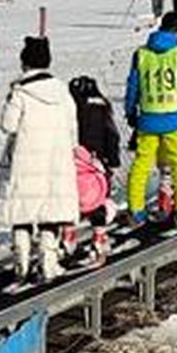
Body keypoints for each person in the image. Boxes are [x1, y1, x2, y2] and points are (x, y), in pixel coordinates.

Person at [0, 36, 79, 281]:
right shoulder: (62, 91)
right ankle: (49, 261)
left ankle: (21, 259)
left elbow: (7, 125)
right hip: (57, 161)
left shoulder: (20, 92)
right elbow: (73, 127)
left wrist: (10, 101)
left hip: (26, 162)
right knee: (51, 213)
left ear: (24, 63)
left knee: (23, 211)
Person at [124, 10, 177, 226]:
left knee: (141, 164)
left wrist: (131, 112)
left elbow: (133, 87)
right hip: (175, 118)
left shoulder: (141, 54)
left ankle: (135, 209)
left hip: (148, 118)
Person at [69, 75, 122, 265]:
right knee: (99, 200)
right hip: (99, 161)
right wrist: (113, 160)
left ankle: (69, 233)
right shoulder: (102, 107)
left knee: (73, 198)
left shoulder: (70, 108)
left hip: (74, 160)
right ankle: (99, 237)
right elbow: (112, 135)